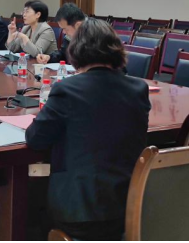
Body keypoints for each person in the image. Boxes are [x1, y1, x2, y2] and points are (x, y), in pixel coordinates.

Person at [25, 19, 151, 241]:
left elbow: (35, 139)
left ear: (76, 51)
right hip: (130, 206)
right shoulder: (138, 88)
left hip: (80, 211)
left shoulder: (67, 89)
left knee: (30, 215)